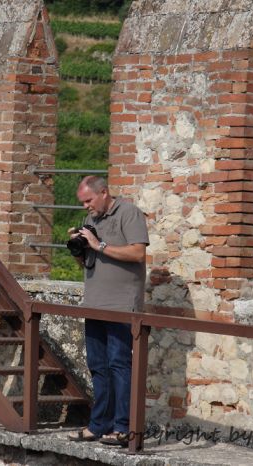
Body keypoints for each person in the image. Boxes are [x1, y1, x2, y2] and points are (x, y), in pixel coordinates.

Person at [67, 176, 149, 447]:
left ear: (104, 193)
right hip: (95, 304)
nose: (85, 207)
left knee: (119, 365)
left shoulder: (129, 212)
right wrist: (79, 246)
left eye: (89, 200)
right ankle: (98, 425)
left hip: (121, 306)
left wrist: (98, 244)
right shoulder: (92, 220)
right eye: (82, 203)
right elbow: (88, 262)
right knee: (98, 367)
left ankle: (123, 427)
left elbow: (138, 253)